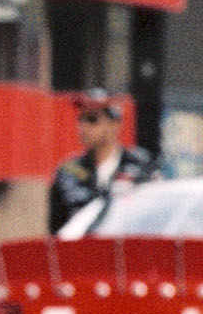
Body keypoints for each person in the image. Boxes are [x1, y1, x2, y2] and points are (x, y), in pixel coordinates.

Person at [46, 90, 154, 229]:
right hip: (82, 242)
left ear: (114, 124)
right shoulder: (68, 171)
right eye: (81, 119)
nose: (83, 127)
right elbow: (57, 229)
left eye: (92, 120)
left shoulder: (141, 165)